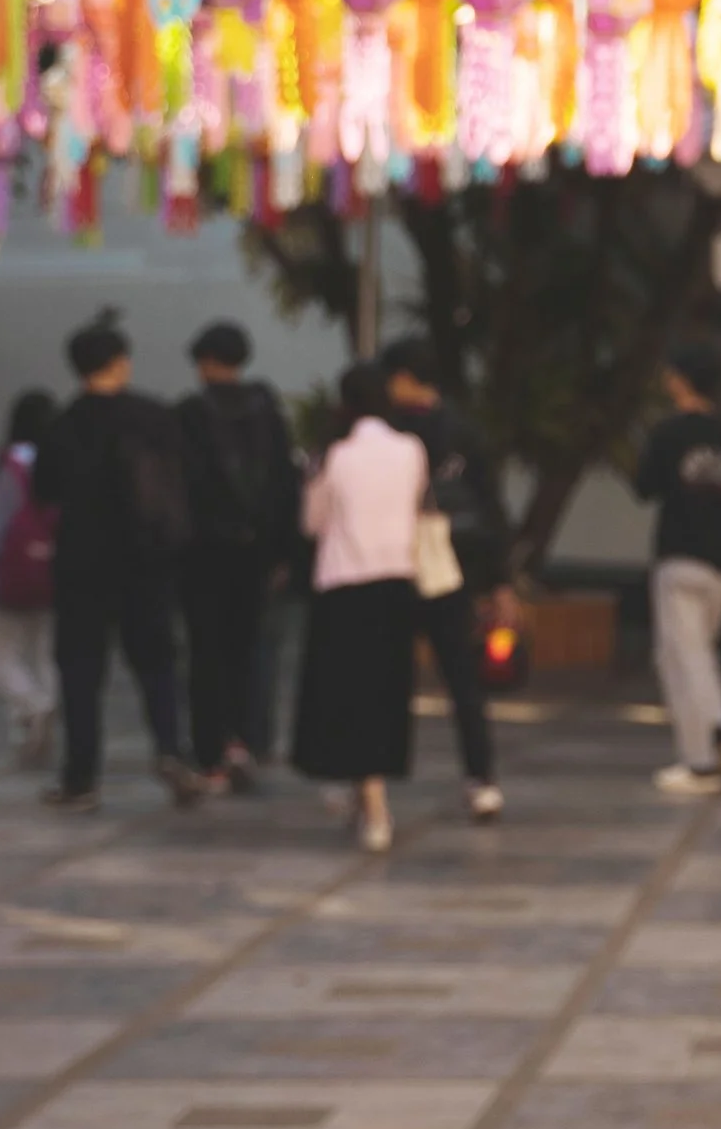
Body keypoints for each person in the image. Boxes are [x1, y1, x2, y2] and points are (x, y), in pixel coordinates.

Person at [34, 315, 200, 811]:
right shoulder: (153, 416)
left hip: (82, 565)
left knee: (81, 672)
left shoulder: (63, 424)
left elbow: (44, 490)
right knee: (157, 664)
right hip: (145, 563)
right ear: (120, 362)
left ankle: (81, 778)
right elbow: (185, 480)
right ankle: (171, 751)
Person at [294, 360, 427, 854]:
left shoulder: (334, 454)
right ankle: (368, 792)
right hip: (397, 580)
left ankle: (371, 801)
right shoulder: (411, 449)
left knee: (345, 692)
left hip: (344, 583)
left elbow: (312, 522)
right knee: (385, 691)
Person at [378, 338, 512, 820]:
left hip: (393, 566)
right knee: (463, 681)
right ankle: (481, 778)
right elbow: (492, 506)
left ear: (404, 378)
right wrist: (500, 581)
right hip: (453, 569)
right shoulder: (465, 432)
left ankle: (374, 782)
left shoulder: (385, 432)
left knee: (387, 680)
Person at [633, 336, 721, 797]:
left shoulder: (669, 434)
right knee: (696, 655)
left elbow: (643, 486)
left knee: (683, 658)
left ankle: (708, 750)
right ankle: (707, 749)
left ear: (679, 380)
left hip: (681, 558)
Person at [177, 323, 300, 795]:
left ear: (206, 362)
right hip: (259, 552)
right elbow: (287, 482)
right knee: (251, 648)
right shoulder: (267, 410)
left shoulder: (189, 413)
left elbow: (180, 486)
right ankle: (247, 741)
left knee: (206, 651)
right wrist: (285, 551)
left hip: (204, 554)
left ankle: (210, 753)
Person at [0, 386, 60, 766]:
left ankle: (31, 708)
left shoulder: (8, 464)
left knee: (2, 653)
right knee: (45, 653)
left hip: (11, 573)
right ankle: (43, 709)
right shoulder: (62, 463)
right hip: (53, 570)